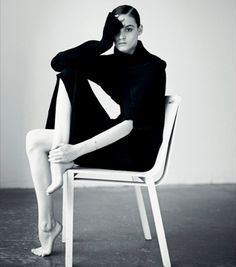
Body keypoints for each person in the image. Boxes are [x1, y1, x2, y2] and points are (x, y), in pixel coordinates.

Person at [25, 5, 166, 257]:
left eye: (128, 29)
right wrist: (102, 42)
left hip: (135, 150)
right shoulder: (113, 62)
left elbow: (128, 125)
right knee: (68, 74)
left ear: (140, 31)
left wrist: (76, 149)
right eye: (116, 30)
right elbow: (59, 62)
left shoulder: (152, 67)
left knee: (36, 141)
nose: (121, 36)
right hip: (116, 137)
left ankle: (50, 213)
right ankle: (48, 224)